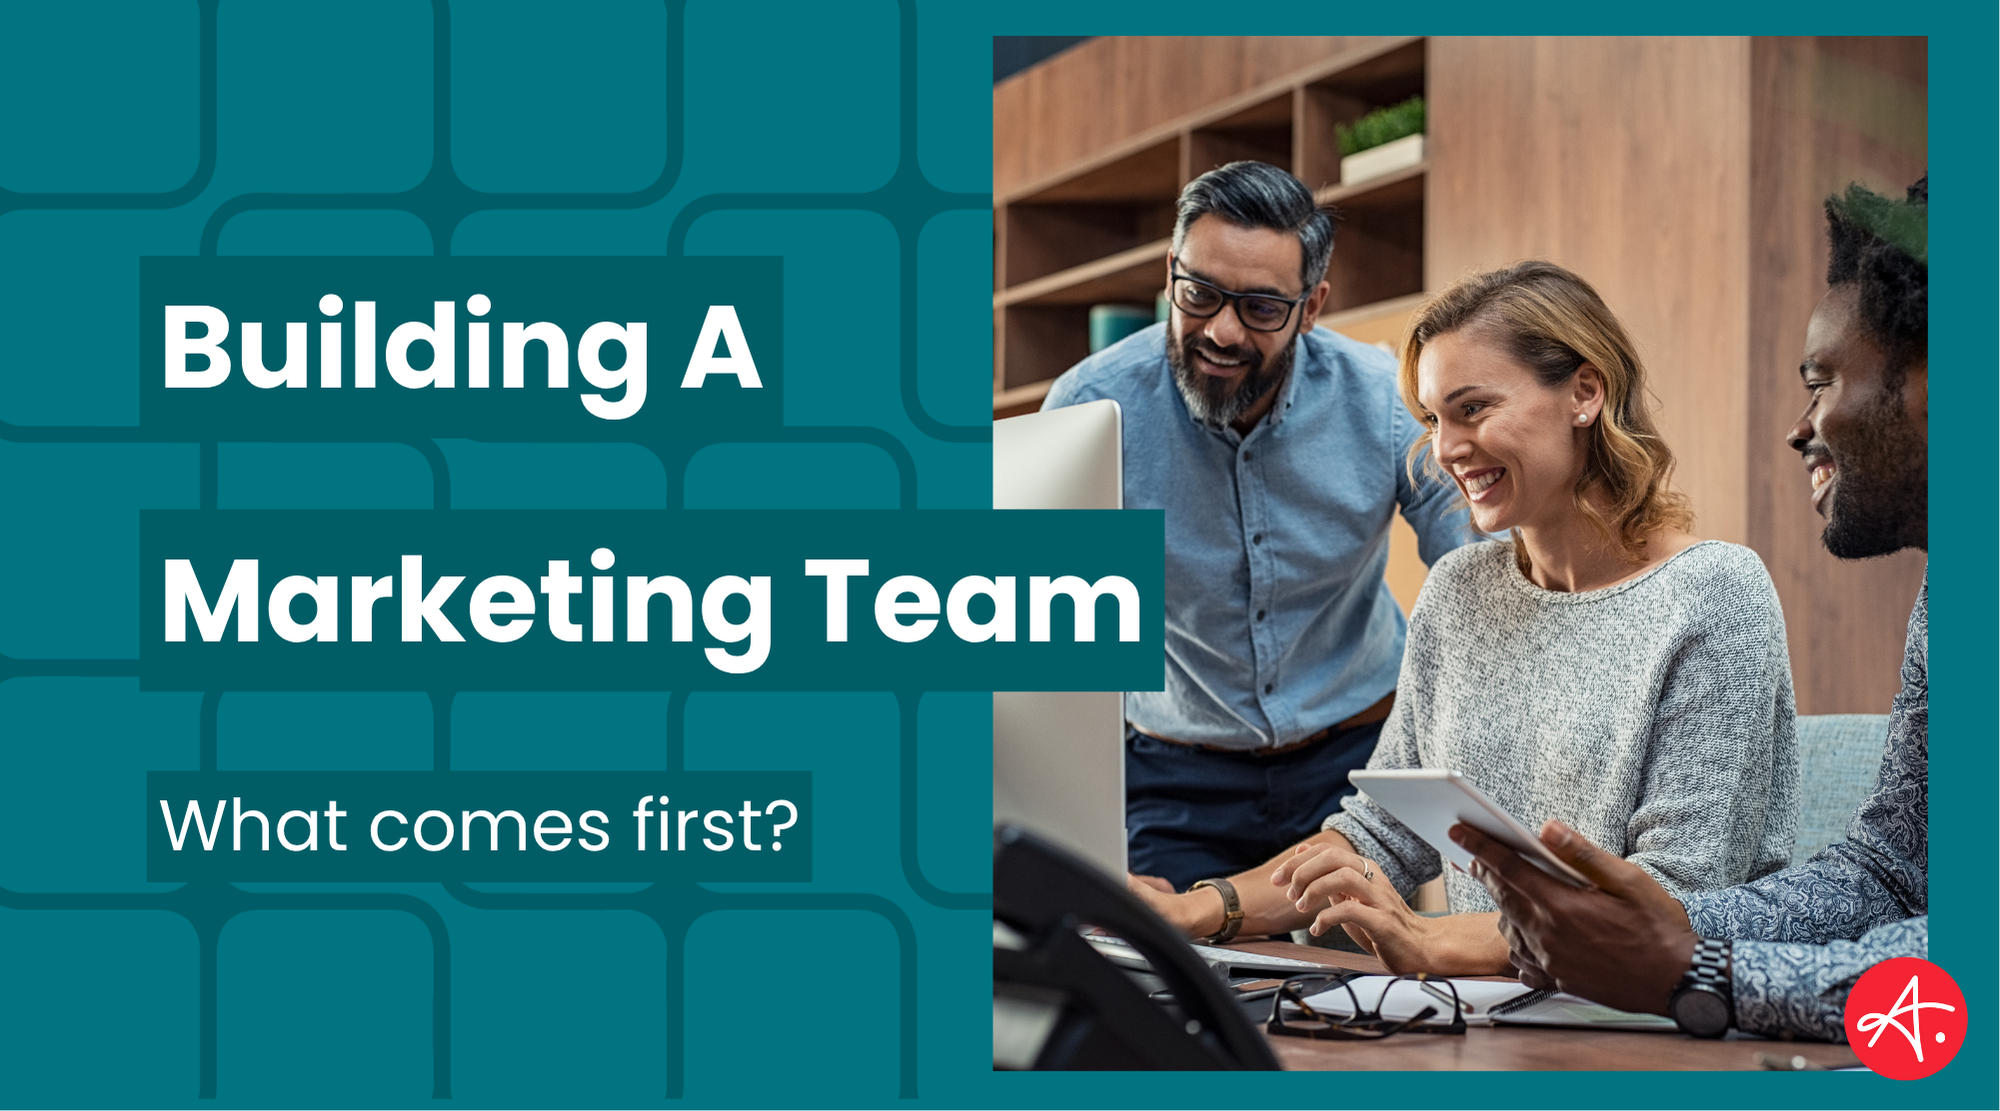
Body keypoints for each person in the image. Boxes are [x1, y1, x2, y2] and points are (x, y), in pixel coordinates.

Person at [1133, 261, 1800, 975]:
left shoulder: (1714, 593)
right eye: (1433, 419)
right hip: (1490, 1007)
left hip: (1653, 1013)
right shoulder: (1458, 590)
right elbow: (1378, 834)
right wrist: (1202, 908)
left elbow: (1674, 901)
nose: (1445, 450)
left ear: (1585, 392)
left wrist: (1432, 940)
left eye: (1473, 409)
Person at [1455, 177, 1928, 1040]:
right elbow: (1890, 873)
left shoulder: (1712, 588)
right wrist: (1654, 926)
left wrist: (1700, 969)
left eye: (1822, 381)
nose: (1800, 427)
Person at [1040, 161, 1469, 900]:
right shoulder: (1089, 408)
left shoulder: (1382, 400)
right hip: (1177, 775)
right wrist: (1078, 829)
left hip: (1355, 762)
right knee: (1165, 965)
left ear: (1311, 306)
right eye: (1199, 294)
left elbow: (1479, 567)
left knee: (1364, 971)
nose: (1221, 330)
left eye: (1262, 307)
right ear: (1170, 272)